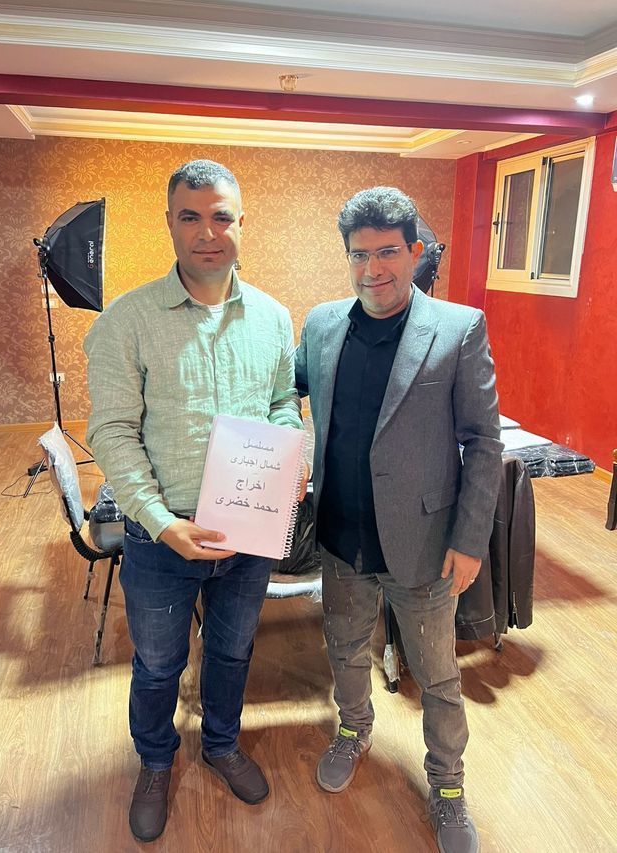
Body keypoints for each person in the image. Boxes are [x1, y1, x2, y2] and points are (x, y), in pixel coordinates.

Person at [84, 160, 303, 843]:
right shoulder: (127, 320)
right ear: (170, 224)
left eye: (221, 216)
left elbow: (281, 404)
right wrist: (160, 521)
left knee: (233, 651)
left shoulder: (273, 317)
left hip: (247, 531)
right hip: (161, 536)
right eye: (191, 216)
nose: (208, 232)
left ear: (241, 224)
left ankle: (221, 743)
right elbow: (112, 432)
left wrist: (291, 458)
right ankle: (156, 760)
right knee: (158, 664)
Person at [295, 186, 502, 853]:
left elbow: (484, 442)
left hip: (424, 544)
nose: (372, 269)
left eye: (387, 252)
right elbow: (286, 393)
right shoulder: (322, 324)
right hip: (341, 535)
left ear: (415, 252)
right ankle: (353, 729)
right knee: (345, 648)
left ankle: (448, 785)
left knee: (436, 675)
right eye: (359, 254)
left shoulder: (458, 328)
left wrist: (470, 540)